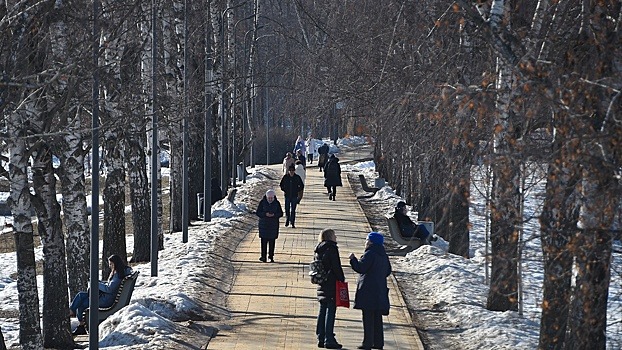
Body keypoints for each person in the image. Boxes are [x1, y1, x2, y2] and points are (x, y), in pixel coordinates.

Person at [69, 254, 133, 336]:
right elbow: (110, 285)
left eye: (111, 264)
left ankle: (79, 324)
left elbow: (109, 289)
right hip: (105, 297)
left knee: (81, 305)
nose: (110, 266)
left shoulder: (118, 276)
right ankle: (72, 312)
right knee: (81, 295)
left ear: (115, 264)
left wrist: (96, 283)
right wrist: (99, 282)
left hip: (106, 300)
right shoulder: (119, 273)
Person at [348, 232, 392, 350]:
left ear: (371, 242)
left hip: (368, 290)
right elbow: (388, 271)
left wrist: (353, 259)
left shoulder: (370, 254)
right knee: (377, 318)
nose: (365, 242)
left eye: (367, 240)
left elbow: (360, 267)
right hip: (380, 290)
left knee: (367, 317)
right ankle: (378, 343)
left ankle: (367, 343)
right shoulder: (383, 254)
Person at [314, 228, 346, 349]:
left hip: (322, 283)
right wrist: (341, 279)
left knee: (322, 309)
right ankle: (329, 338)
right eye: (334, 235)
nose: (336, 237)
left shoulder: (318, 249)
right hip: (332, 283)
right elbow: (336, 266)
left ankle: (320, 337)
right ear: (330, 237)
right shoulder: (331, 248)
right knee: (331, 310)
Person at [255, 189, 284, 263]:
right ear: (266, 197)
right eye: (269, 198)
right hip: (263, 225)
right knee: (263, 242)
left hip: (273, 225)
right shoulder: (262, 203)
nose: (270, 199)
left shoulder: (277, 203)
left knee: (272, 242)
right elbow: (258, 212)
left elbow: (280, 213)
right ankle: (263, 256)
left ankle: (271, 256)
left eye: (272, 198)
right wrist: (265, 214)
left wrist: (274, 215)